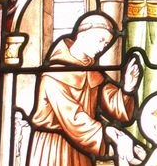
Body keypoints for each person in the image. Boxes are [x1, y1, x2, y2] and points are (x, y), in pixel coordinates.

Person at [22, 10, 142, 166]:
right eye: (100, 40)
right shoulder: (54, 75)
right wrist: (106, 131)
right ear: (83, 35)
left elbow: (113, 105)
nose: (102, 48)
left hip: (82, 146)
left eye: (106, 44)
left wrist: (127, 88)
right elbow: (73, 117)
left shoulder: (92, 72)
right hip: (54, 148)